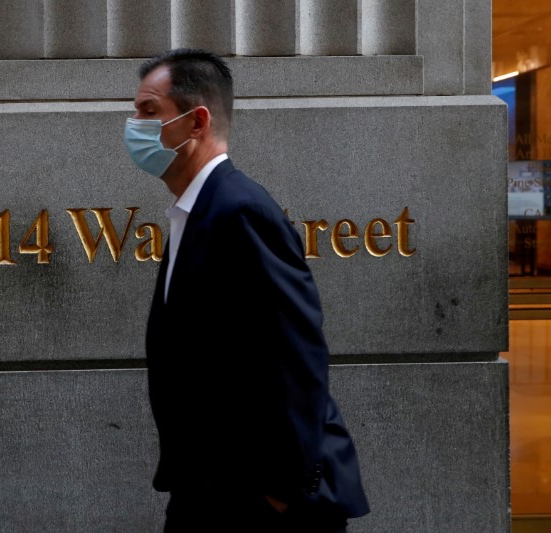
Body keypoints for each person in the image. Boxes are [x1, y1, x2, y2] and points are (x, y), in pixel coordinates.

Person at [124, 48, 370, 533]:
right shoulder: (197, 212)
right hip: (210, 490)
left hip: (258, 503)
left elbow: (297, 351)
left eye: (149, 111)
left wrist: (280, 491)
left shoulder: (239, 210)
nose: (133, 124)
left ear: (196, 122)